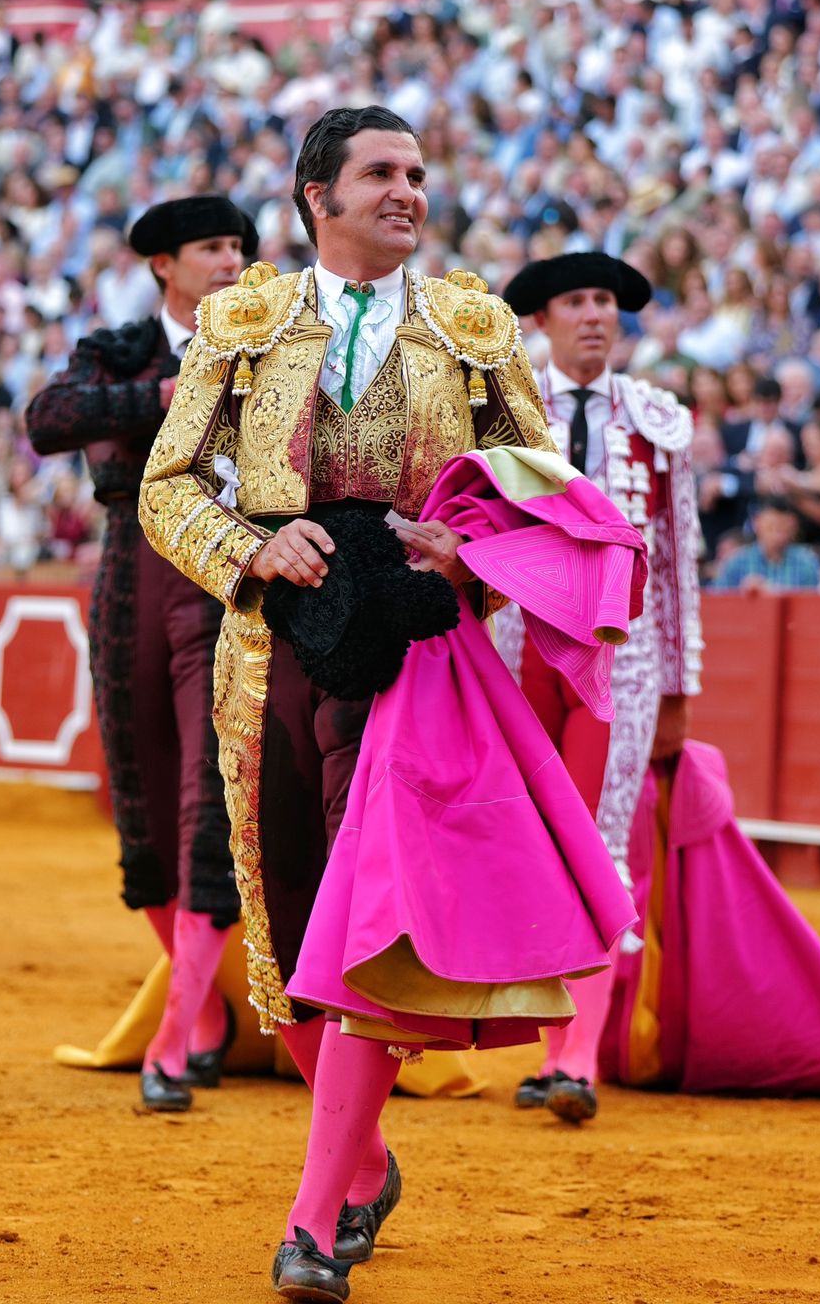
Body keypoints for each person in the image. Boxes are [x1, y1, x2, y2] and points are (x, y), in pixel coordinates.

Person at [141, 107, 582, 1298]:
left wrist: (463, 545)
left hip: (414, 654)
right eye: (381, 173)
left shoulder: (472, 325)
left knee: (367, 927)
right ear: (314, 195)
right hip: (273, 643)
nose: (407, 191)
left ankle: (312, 1217)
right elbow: (165, 483)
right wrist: (246, 548)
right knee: (283, 931)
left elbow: (538, 484)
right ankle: (366, 1157)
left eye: (417, 174)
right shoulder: (245, 320)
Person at [26, 194, 256, 1112]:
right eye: (211, 247)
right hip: (131, 577)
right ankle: (201, 1016)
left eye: (239, 245)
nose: (232, 261)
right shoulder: (122, 351)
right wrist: (165, 393)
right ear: (164, 263)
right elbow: (49, 419)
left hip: (227, 585)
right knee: (145, 816)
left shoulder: (272, 345)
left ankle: (175, 1039)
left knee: (210, 810)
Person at [502, 251, 701, 1124]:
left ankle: (576, 1061)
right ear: (542, 320)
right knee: (532, 848)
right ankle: (549, 1052)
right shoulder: (503, 410)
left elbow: (678, 558)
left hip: (621, 655)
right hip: (519, 646)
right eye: (576, 301)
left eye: (605, 302)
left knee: (601, 844)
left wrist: (682, 683)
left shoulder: (659, 421)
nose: (595, 315)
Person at [711, 495, 820, 589]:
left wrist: (770, 590)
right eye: (771, 526)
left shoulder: (807, 563)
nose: (778, 531)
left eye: (783, 526)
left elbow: (812, 606)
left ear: (794, 526)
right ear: (756, 522)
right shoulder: (736, 563)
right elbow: (719, 604)